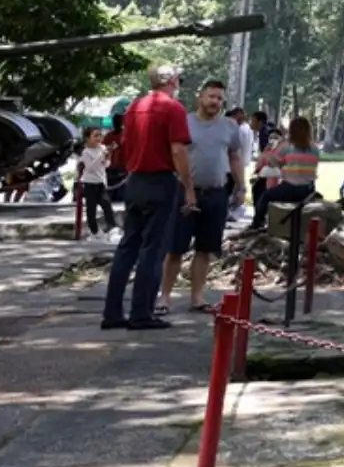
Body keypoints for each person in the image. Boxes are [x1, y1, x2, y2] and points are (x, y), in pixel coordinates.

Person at [101, 65, 193, 331]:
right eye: (178, 79)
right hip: (160, 180)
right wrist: (188, 186)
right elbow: (178, 150)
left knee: (128, 245)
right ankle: (141, 312)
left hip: (135, 180)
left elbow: (126, 144)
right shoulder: (173, 108)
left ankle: (112, 311)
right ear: (172, 81)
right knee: (153, 249)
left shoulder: (134, 107)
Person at [160, 80, 249, 315]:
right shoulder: (184, 122)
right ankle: (164, 297)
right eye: (211, 97)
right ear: (200, 97)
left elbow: (235, 157)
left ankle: (197, 297)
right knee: (175, 248)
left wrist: (241, 186)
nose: (215, 102)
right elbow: (173, 154)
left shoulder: (230, 126)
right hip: (184, 192)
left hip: (216, 193)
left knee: (205, 248)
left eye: (219, 98)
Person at [258, 116, 321, 214]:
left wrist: (269, 152)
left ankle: (258, 221)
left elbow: (272, 163)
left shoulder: (287, 145)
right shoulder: (315, 148)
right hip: (308, 189)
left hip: (290, 188)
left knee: (266, 196)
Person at [76, 127, 115, 236]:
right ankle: (94, 231)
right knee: (91, 209)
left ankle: (111, 227)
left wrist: (108, 155)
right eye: (95, 136)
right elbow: (90, 168)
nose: (99, 138)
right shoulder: (86, 152)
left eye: (100, 135)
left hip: (101, 183)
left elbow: (106, 165)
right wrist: (102, 155)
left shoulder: (102, 148)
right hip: (90, 184)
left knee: (107, 207)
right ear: (88, 138)